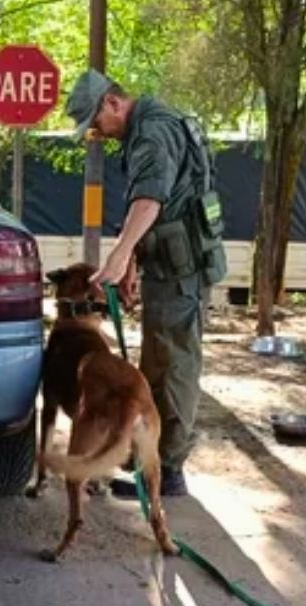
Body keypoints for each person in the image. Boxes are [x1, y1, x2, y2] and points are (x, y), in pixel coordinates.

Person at [64, 69, 227, 497]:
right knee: (156, 361)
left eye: (97, 124)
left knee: (174, 365)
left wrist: (118, 257)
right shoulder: (149, 127)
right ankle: (149, 458)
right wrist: (134, 258)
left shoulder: (153, 132)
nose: (98, 133)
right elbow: (160, 203)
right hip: (167, 263)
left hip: (181, 269)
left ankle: (167, 469)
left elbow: (150, 200)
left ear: (112, 103)